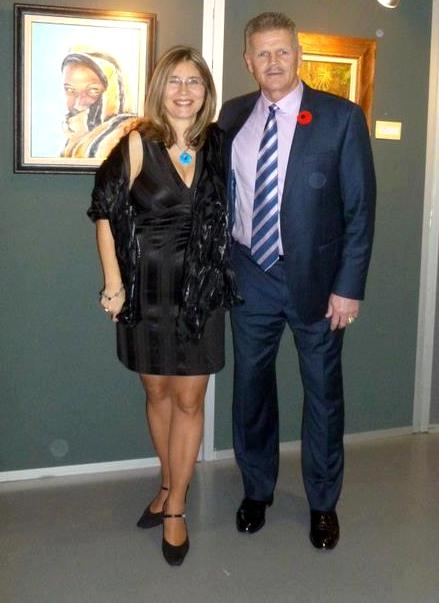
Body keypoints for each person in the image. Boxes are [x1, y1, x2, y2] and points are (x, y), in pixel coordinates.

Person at [218, 12, 376, 550]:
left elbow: (359, 210)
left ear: (298, 54)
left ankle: (323, 503)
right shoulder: (232, 115)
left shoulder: (341, 118)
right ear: (248, 60)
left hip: (318, 282)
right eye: (262, 53)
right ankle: (256, 489)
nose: (273, 62)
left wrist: (348, 286)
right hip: (250, 272)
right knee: (251, 389)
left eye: (282, 51)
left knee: (323, 394)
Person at [87, 45, 239, 565]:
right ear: (159, 89)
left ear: (206, 91)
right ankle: (170, 482)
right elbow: (104, 213)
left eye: (194, 81)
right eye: (174, 81)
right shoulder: (137, 143)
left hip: (201, 291)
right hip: (146, 290)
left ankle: (175, 507)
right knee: (157, 394)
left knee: (190, 400)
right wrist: (114, 284)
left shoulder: (219, 145)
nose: (184, 91)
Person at [62, 47, 138, 159]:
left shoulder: (124, 135)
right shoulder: (74, 140)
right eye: (70, 90)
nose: (78, 104)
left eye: (93, 90)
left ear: (114, 92)